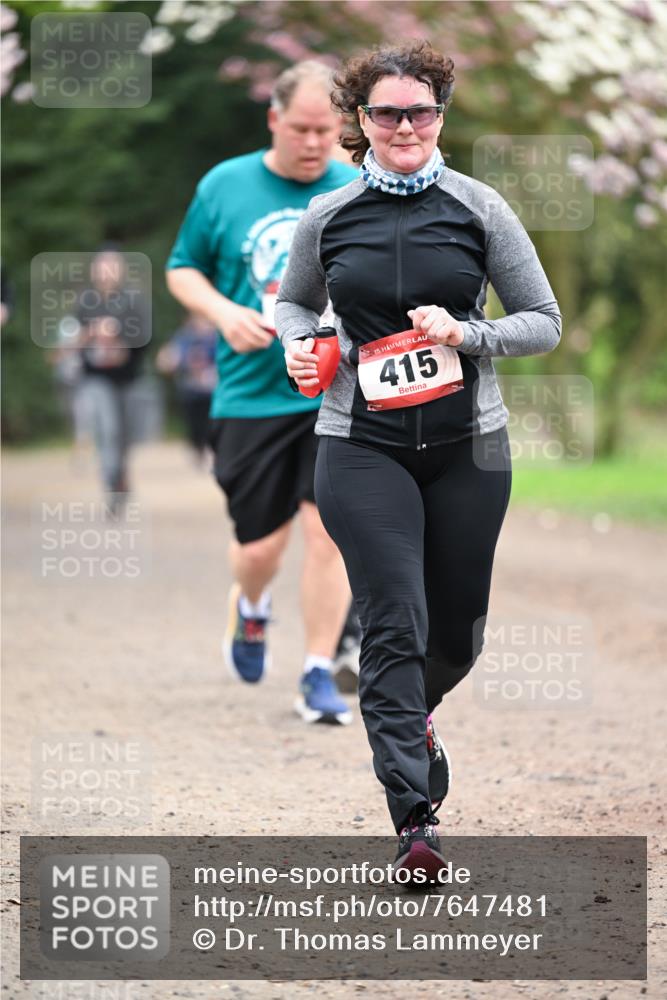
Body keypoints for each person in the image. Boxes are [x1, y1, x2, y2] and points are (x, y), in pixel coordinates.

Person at [277, 41, 561, 875]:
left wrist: (465, 333)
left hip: (468, 447)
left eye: (421, 111)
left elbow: (542, 321)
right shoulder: (328, 216)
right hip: (360, 447)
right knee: (393, 618)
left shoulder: (479, 208)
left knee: (457, 634)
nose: (405, 126)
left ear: (440, 115)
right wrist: (303, 345)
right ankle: (414, 820)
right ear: (360, 120)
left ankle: (411, 713)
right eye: (387, 113)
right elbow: (294, 304)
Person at [166, 61, 360, 724]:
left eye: (326, 130)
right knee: (259, 549)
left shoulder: (358, 186)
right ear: (274, 119)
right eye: (301, 128)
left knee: (328, 533)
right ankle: (250, 606)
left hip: (334, 394)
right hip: (251, 394)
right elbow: (182, 268)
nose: (314, 143)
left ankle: (317, 671)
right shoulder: (225, 185)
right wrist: (223, 314)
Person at [75, 248, 149, 510]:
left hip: (129, 378)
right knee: (107, 430)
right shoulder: (84, 302)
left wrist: (120, 337)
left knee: (124, 436)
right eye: (102, 267)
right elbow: (71, 339)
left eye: (111, 267)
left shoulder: (134, 300)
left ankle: (120, 476)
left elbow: (146, 336)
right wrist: (91, 333)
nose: (106, 273)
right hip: (95, 378)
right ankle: (111, 482)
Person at [157, 312, 217, 465]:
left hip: (210, 389)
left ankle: (209, 446)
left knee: (210, 421)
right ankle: (197, 447)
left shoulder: (215, 338)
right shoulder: (183, 338)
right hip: (190, 389)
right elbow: (169, 358)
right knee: (193, 423)